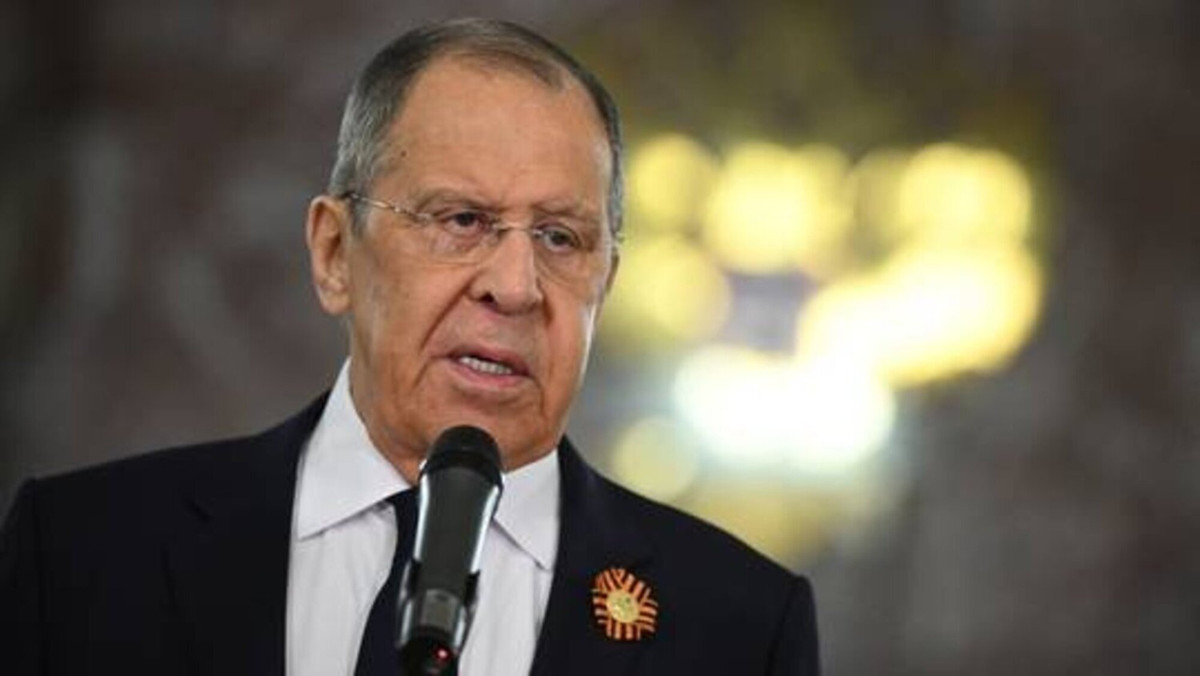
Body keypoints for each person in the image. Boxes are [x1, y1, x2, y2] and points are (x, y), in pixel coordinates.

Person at [0, 18, 819, 676]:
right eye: (462, 220)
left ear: (605, 281)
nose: (516, 286)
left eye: (561, 237)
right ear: (335, 253)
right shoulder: (81, 552)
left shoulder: (740, 625)